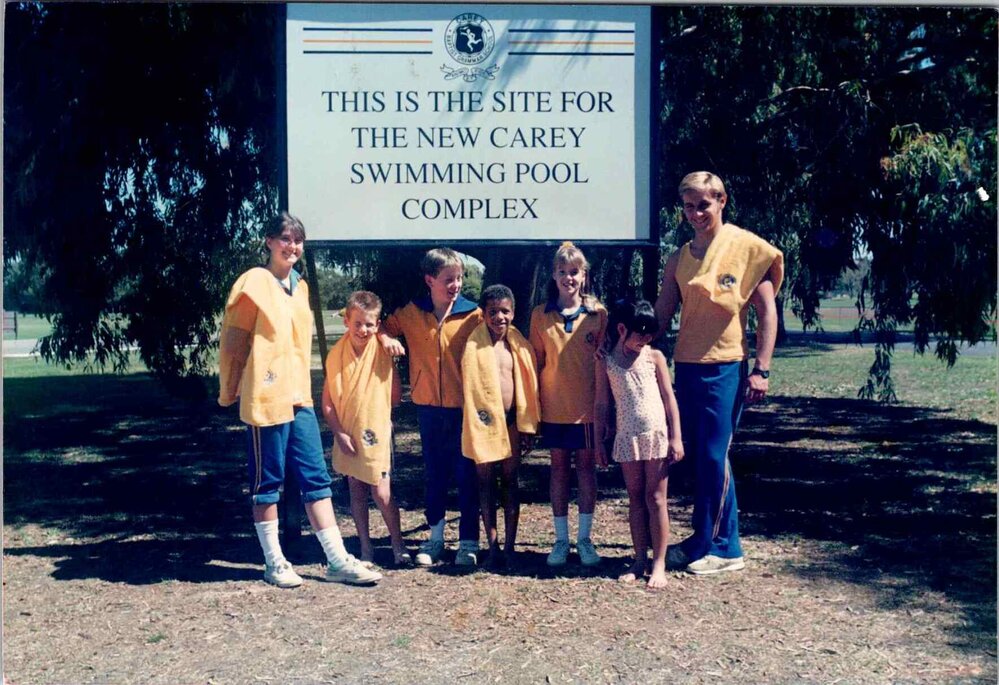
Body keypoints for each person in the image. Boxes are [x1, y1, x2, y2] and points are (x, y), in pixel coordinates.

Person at [218, 212, 381, 587]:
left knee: (316, 478)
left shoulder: (300, 287)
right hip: (266, 397)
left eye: (298, 241)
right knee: (267, 481)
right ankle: (275, 562)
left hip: (299, 397)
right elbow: (233, 341)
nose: (293, 247)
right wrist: (230, 389)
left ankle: (337, 560)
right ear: (270, 242)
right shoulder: (253, 283)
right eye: (285, 239)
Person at [654, 171, 783, 575]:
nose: (696, 213)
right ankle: (701, 540)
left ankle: (728, 548)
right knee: (696, 458)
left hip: (726, 366)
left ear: (722, 201)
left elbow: (766, 313)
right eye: (689, 206)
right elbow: (661, 314)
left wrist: (761, 369)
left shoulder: (747, 248)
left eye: (704, 205)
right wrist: (624, 340)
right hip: (687, 366)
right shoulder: (679, 258)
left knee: (714, 456)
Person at [378, 248, 483, 566]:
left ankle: (468, 543)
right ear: (429, 280)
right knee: (434, 475)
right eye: (448, 279)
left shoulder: (473, 315)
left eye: (459, 278)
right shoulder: (411, 312)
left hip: (463, 409)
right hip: (427, 409)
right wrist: (386, 341)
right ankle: (435, 538)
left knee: (467, 475)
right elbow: (382, 328)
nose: (456, 285)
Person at [529, 241, 608, 568]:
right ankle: (561, 539)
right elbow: (535, 362)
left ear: (584, 275)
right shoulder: (540, 314)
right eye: (562, 272)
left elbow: (604, 363)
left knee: (586, 470)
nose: (568, 278)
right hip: (554, 408)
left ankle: (585, 539)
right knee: (559, 469)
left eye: (574, 272)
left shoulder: (598, 314)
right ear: (553, 275)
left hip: (586, 409)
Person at [595, 300, 684, 589]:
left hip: (656, 435)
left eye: (649, 337)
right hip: (627, 437)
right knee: (635, 498)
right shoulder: (606, 361)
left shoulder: (654, 357)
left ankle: (659, 564)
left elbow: (670, 398)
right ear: (622, 329)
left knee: (656, 498)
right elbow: (601, 402)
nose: (644, 342)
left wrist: (676, 436)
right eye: (639, 336)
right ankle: (638, 559)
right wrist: (598, 440)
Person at [321, 290, 410, 569]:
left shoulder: (383, 349)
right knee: (356, 490)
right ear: (347, 320)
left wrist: (390, 354)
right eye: (357, 323)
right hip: (347, 431)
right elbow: (327, 403)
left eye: (370, 324)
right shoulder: (336, 355)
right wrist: (339, 433)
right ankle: (365, 547)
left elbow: (396, 397)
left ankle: (398, 545)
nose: (363, 329)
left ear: (377, 324)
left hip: (375, 430)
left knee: (381, 493)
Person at [460, 284, 540, 569]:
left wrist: (528, 424)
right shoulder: (474, 345)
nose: (499, 317)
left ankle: (510, 547)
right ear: (484, 314)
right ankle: (491, 546)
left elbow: (529, 384)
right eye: (493, 312)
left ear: (513, 312)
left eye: (505, 311)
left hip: (513, 423)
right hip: (484, 423)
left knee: (510, 482)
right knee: (485, 484)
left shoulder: (518, 344)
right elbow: (471, 387)